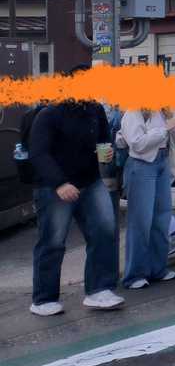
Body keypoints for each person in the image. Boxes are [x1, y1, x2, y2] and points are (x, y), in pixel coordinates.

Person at [27, 68, 125, 315]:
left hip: (90, 181)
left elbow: (104, 140)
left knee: (105, 230)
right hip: (54, 187)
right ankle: (43, 299)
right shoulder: (50, 113)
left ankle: (99, 290)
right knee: (53, 240)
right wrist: (60, 183)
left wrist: (107, 151)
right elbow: (38, 153)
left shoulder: (95, 110)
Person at [119, 106, 175, 289]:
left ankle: (158, 269)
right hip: (142, 165)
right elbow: (137, 144)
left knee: (161, 218)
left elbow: (165, 138)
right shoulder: (133, 112)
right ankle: (134, 275)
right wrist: (166, 128)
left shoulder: (158, 111)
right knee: (140, 222)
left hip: (161, 162)